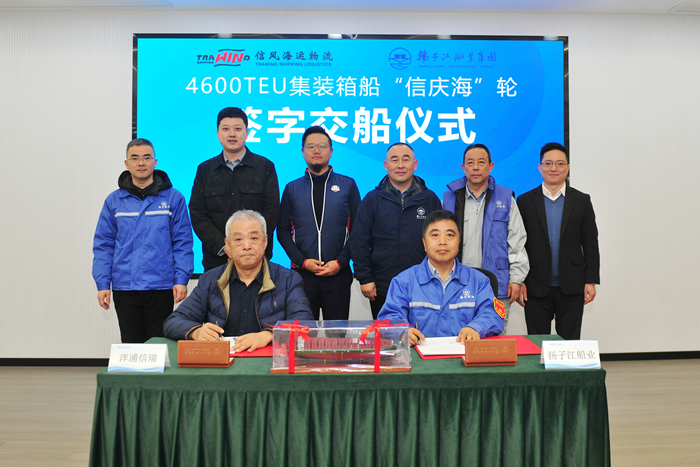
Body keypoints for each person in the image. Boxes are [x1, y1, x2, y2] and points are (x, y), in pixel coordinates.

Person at [164, 210, 313, 352]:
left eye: (254, 238)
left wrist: (269, 335)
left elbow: (304, 323)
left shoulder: (288, 279)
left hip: (269, 361)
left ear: (265, 241)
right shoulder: (210, 280)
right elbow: (173, 322)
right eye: (238, 240)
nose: (247, 246)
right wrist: (196, 332)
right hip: (223, 361)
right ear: (228, 245)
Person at [92, 138, 194, 343]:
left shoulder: (173, 199)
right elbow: (104, 245)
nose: (141, 163)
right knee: (131, 345)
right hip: (125, 287)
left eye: (146, 158)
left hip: (161, 286)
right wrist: (103, 283)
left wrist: (181, 279)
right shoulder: (114, 201)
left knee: (159, 344)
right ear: (126, 163)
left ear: (155, 162)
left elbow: (182, 242)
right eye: (135, 158)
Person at [378, 210, 504, 345]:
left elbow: (492, 314)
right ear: (424, 243)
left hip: (464, 354)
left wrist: (475, 328)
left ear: (459, 241)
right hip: (419, 356)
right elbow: (389, 318)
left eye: (450, 235)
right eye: (435, 235)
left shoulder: (479, 281)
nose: (442, 241)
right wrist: (402, 332)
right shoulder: (403, 282)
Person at [349, 142, 442, 319]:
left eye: (405, 160)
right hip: (383, 287)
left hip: (424, 285)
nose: (400, 165)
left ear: (415, 164)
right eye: (394, 160)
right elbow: (359, 242)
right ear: (386, 165)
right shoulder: (372, 199)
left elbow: (440, 243)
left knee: (423, 334)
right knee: (388, 334)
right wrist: (365, 278)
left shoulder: (429, 199)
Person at [443, 143, 529, 334]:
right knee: (457, 338)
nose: (475, 167)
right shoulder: (449, 198)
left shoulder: (506, 199)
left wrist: (516, 279)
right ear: (463, 167)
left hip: (496, 285)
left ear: (490, 166)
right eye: (470, 163)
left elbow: (517, 242)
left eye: (481, 162)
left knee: (495, 340)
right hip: (456, 285)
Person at [516, 142, 600, 340]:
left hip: (572, 286)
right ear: (540, 167)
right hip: (535, 286)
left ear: (568, 168)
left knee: (569, 344)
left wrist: (590, 280)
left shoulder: (581, 200)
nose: (553, 168)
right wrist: (519, 281)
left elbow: (590, 243)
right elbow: (519, 245)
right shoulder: (525, 201)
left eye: (560, 163)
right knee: (537, 344)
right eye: (548, 163)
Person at [277, 126, 361, 320]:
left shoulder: (348, 185)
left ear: (331, 151)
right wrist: (302, 262)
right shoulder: (292, 188)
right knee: (304, 333)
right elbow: (282, 231)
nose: (317, 150)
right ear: (303, 151)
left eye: (322, 146)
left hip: (338, 273)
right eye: (311, 146)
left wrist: (340, 262)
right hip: (302, 275)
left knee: (337, 334)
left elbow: (358, 230)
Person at [189, 107, 280, 271]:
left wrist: (247, 246)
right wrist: (224, 246)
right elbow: (197, 213)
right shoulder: (205, 170)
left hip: (256, 258)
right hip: (216, 260)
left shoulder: (265, 167)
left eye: (238, 129)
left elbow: (271, 211)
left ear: (247, 132)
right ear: (218, 133)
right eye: (226, 129)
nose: (232, 134)